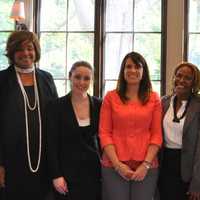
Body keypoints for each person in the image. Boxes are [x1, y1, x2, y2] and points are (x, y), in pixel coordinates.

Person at [0, 31, 58, 200]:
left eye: (29, 48)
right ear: (12, 52)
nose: (25, 53)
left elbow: (54, 121)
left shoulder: (47, 78)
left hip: (44, 160)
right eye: (20, 49)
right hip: (11, 162)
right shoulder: (2, 80)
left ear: (36, 51)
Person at [99, 51, 162, 200]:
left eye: (137, 66)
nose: (132, 70)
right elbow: (104, 133)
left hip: (146, 166)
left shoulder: (154, 98)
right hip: (113, 164)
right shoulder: (110, 97)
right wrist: (117, 165)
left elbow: (156, 134)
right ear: (123, 71)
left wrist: (145, 165)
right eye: (128, 66)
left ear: (143, 71)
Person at [47, 61, 102, 200]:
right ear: (70, 76)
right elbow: (51, 143)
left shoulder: (99, 105)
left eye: (87, 78)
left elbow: (103, 138)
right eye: (77, 77)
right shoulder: (56, 106)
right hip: (66, 177)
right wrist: (56, 175)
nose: (81, 82)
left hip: (94, 174)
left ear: (92, 80)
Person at [158, 62, 200, 200]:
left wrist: (197, 183)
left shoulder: (198, 107)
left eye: (187, 78)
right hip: (164, 164)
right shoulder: (163, 102)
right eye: (179, 75)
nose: (181, 80)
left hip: (189, 168)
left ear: (194, 83)